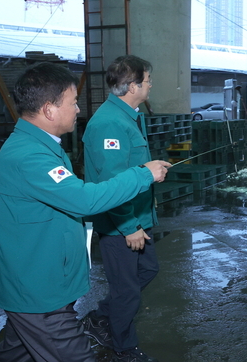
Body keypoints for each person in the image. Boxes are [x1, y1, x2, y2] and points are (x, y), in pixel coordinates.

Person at [0, 62, 170, 362]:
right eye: (72, 103)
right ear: (49, 110)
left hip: (39, 288)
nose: (78, 110)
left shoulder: (44, 148)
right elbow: (84, 199)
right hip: (40, 297)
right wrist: (143, 174)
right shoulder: (31, 157)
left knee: (15, 354)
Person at [81, 56, 161, 362]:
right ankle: (123, 348)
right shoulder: (108, 124)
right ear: (132, 86)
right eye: (148, 79)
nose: (151, 84)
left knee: (148, 270)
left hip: (137, 217)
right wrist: (128, 227)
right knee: (126, 290)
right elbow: (112, 183)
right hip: (120, 224)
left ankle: (101, 318)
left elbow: (131, 169)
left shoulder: (129, 115)